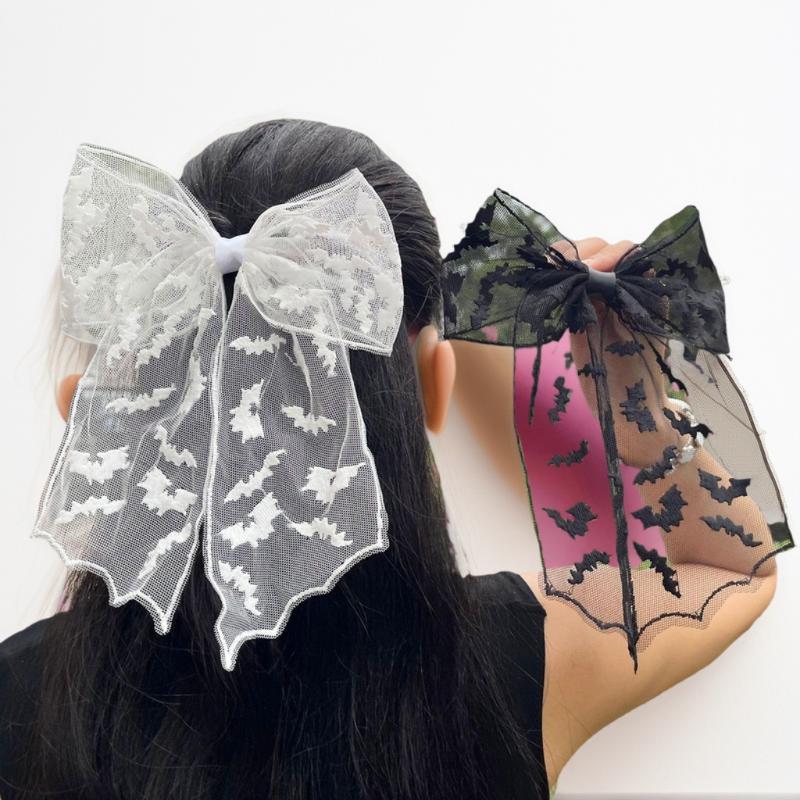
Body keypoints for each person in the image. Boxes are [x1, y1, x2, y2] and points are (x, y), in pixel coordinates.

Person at [0, 119, 778, 800]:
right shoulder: (511, 657)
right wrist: (632, 396)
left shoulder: (19, 696)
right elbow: (735, 568)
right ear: (432, 388)